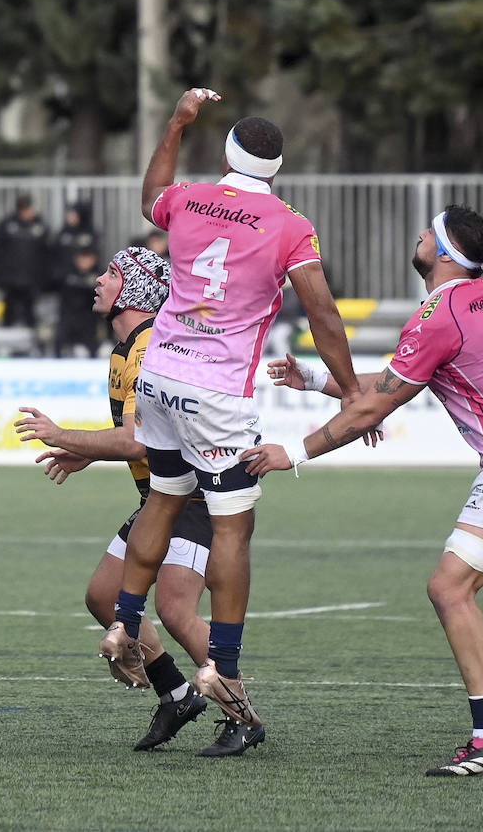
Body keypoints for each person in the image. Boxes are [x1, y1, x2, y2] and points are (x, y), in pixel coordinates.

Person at [244, 205, 483, 777]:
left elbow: (379, 403)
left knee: (448, 589)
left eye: (426, 231)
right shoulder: (470, 299)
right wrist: (316, 379)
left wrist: (292, 452)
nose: (417, 235)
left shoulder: (440, 314)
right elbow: (395, 382)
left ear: (443, 251)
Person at [103, 88, 362, 758]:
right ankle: (221, 662)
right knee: (232, 525)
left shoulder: (187, 197)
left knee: (163, 493)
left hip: (160, 372)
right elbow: (324, 316)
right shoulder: (288, 225)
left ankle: (124, 623)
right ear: (276, 167)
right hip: (218, 390)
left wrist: (176, 124)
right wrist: (354, 389)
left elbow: (149, 193)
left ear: (226, 153)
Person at [16, 246, 212, 751]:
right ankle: (176, 694)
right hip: (157, 498)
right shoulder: (126, 350)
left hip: (189, 498)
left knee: (177, 613)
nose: (99, 280)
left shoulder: (147, 349)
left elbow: (137, 442)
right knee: (103, 596)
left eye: (111, 273)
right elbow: (139, 435)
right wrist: (86, 451)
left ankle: (241, 708)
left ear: (135, 288)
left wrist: (64, 435)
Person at [0, 194, 52, 332]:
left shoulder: (39, 226)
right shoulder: (7, 225)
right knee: (9, 315)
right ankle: (6, 344)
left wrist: (45, 279)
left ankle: (33, 346)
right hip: (11, 281)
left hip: (32, 282)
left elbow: (46, 254)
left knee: (31, 316)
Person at [53, 244, 103, 357]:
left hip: (89, 320)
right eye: (82, 258)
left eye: (88, 258)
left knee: (92, 349)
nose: (84, 262)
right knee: (60, 345)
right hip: (68, 318)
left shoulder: (99, 277)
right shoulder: (66, 274)